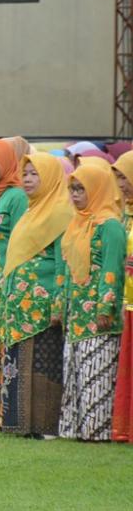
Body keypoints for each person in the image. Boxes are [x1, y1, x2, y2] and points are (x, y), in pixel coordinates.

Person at [0, 153, 72, 438]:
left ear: (50, 177)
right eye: (25, 173)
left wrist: (58, 304)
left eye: (35, 174)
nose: (27, 179)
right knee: (20, 362)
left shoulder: (61, 214)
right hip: (19, 306)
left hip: (43, 306)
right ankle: (19, 424)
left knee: (43, 363)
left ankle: (45, 426)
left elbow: (62, 264)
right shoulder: (30, 212)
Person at [57, 163, 125, 442]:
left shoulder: (110, 226)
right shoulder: (76, 224)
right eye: (72, 189)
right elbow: (67, 270)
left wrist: (105, 307)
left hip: (99, 316)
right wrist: (62, 306)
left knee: (95, 374)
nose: (75, 195)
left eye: (81, 189)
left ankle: (96, 431)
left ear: (97, 189)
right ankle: (74, 429)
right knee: (75, 373)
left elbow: (111, 269)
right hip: (76, 315)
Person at [0, 138, 29, 428]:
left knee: (0, 341)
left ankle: (2, 412)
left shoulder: (16, 197)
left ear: (8, 164)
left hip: (5, 277)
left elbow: (22, 240)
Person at [112, 150, 133, 442]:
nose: (121, 184)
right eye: (117, 178)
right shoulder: (124, 212)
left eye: (125, 177)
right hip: (128, 300)